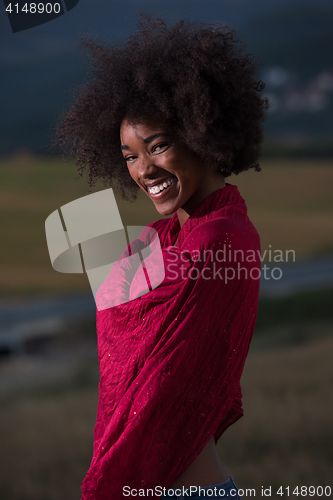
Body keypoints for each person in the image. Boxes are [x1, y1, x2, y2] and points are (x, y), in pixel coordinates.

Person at [55, 15, 269, 500]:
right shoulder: (159, 238)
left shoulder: (222, 237)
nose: (143, 169)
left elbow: (154, 362)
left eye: (159, 145)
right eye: (130, 155)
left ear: (201, 130)